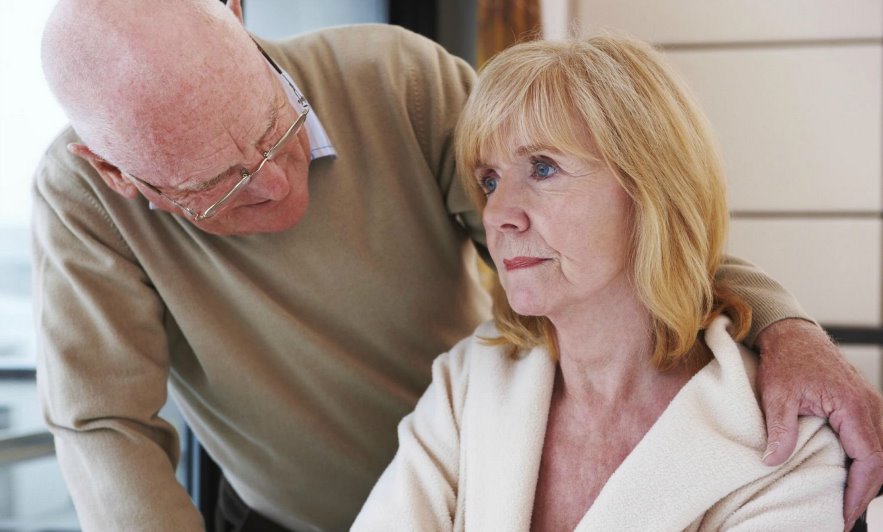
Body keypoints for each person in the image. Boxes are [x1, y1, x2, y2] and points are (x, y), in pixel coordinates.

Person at [33, 0, 880, 530]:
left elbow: (611, 236)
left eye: (275, 129)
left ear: (238, 15)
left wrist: (782, 325)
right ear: (119, 175)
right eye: (220, 186)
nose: (277, 184)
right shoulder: (84, 202)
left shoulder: (395, 79)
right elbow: (103, 428)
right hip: (292, 513)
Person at [353, 35, 848, 531]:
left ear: (651, 187)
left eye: (543, 168)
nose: (497, 213)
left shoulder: (782, 440)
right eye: (490, 180)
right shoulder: (467, 382)